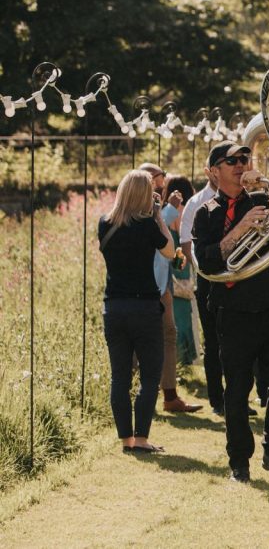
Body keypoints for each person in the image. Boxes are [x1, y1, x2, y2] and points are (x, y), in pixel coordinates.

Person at [192, 141, 269, 483]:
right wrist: (242, 227)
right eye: (231, 160)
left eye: (244, 158)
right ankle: (239, 462)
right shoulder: (206, 214)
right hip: (232, 313)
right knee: (237, 390)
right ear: (213, 171)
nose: (240, 164)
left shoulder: (265, 200)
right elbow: (208, 260)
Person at [98, 169, 176, 454]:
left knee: (119, 376)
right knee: (150, 375)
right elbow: (169, 251)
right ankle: (141, 439)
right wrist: (157, 214)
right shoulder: (147, 226)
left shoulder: (105, 225)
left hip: (114, 307)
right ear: (146, 195)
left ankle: (125, 440)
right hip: (144, 307)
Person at [140, 163, 201, 414]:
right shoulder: (138, 210)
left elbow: (165, 246)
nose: (161, 186)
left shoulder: (160, 209)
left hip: (163, 284)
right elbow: (154, 234)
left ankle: (170, 396)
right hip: (146, 286)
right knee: (145, 340)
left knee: (169, 336)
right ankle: (145, 396)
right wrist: (170, 210)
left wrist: (176, 258)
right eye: (157, 180)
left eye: (162, 181)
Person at [179, 166, 226, 414]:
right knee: (213, 342)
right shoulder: (196, 203)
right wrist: (208, 269)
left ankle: (236, 396)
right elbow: (187, 245)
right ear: (210, 171)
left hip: (238, 282)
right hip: (208, 280)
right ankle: (218, 400)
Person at [163, 175, 198, 365]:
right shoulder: (186, 212)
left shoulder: (166, 213)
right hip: (181, 265)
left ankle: (173, 361)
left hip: (167, 267)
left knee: (172, 318)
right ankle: (183, 359)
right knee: (184, 316)